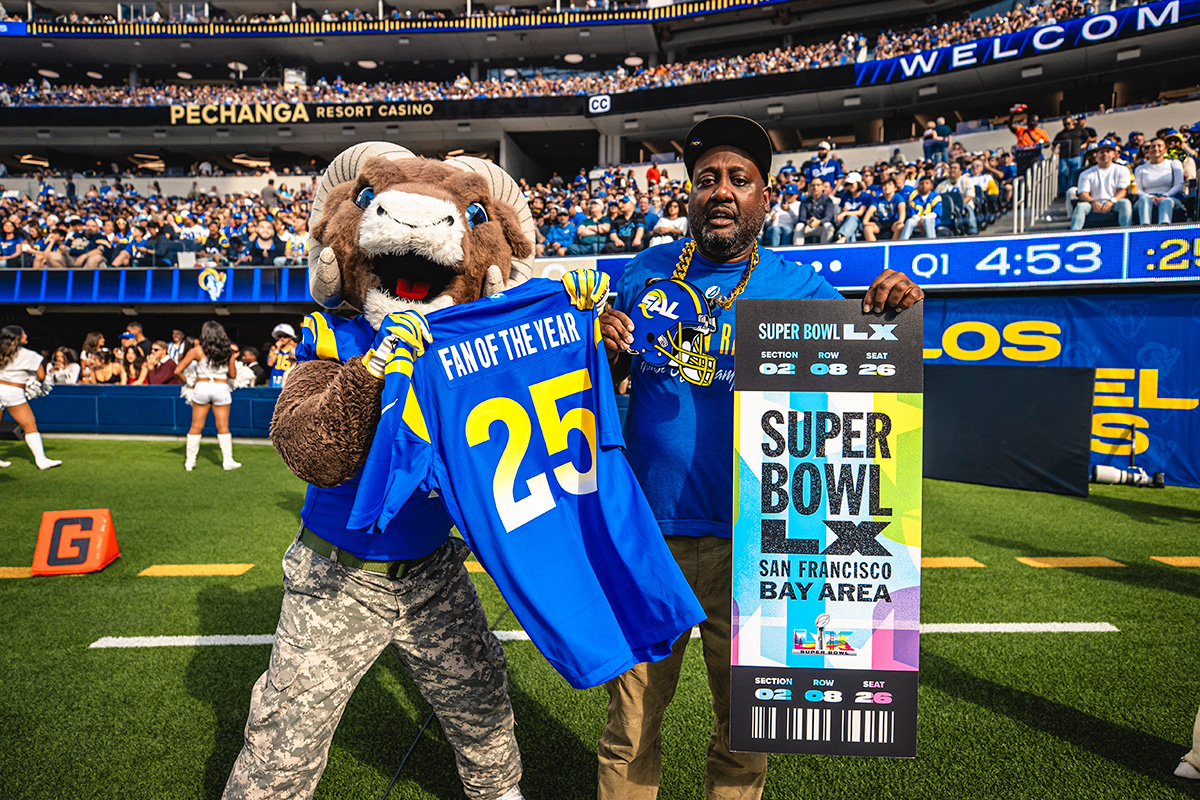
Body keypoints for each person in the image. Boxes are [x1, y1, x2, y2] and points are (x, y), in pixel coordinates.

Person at [596, 114, 923, 800]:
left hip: (758, 547)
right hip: (650, 536)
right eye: (706, 178)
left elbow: (862, 383)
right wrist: (608, 344)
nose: (721, 190)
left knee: (745, 733)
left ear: (764, 198)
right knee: (630, 728)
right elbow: (606, 379)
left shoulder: (801, 289)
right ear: (690, 194)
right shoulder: (642, 271)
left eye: (738, 179)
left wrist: (891, 314)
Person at [173, 320, 240, 471]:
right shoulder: (228, 351)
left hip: (202, 387)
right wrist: (232, 360)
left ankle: (190, 462)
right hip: (221, 387)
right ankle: (227, 461)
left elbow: (177, 371)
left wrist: (188, 381)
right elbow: (233, 375)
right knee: (223, 426)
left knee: (196, 426)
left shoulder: (197, 351)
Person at [0, 325, 62, 469]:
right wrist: (31, 381)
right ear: (17, 338)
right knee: (30, 426)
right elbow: (41, 376)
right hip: (13, 391)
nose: (26, 336)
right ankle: (41, 460)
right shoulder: (30, 355)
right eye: (23, 334)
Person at [1071, 138, 1132, 231]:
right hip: (1092, 203)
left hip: (1114, 202)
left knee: (1125, 203)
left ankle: (1126, 232)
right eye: (1102, 152)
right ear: (1097, 154)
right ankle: (1074, 234)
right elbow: (1083, 194)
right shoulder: (1086, 173)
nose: (1105, 154)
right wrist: (1093, 202)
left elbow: (1123, 191)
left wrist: (1112, 201)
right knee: (1080, 207)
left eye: (1108, 151)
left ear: (1114, 154)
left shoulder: (1122, 170)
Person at [1133, 138, 1184, 225]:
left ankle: (1164, 226)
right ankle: (1145, 226)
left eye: (1159, 146)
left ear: (1165, 150)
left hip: (1168, 196)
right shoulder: (1140, 168)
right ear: (1149, 151)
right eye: (1153, 147)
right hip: (1147, 197)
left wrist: (1165, 196)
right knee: (1145, 200)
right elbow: (1138, 190)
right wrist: (1150, 197)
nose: (1156, 148)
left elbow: (1179, 184)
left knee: (1166, 202)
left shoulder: (1173, 164)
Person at [900, 175, 942, 239]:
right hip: (917, 220)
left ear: (931, 186)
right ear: (918, 186)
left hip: (932, 220)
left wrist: (923, 219)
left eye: (927, 183)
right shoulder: (914, 198)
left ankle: (932, 242)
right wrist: (920, 221)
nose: (924, 185)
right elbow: (913, 214)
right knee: (909, 221)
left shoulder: (936, 196)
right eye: (922, 184)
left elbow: (935, 214)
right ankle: (903, 241)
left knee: (927, 221)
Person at [266, 323, 298, 387]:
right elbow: (270, 363)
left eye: (285, 336)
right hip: (275, 380)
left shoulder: (295, 348)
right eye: (280, 336)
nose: (282, 338)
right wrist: (277, 348)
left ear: (290, 337)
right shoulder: (274, 348)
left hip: (289, 379)